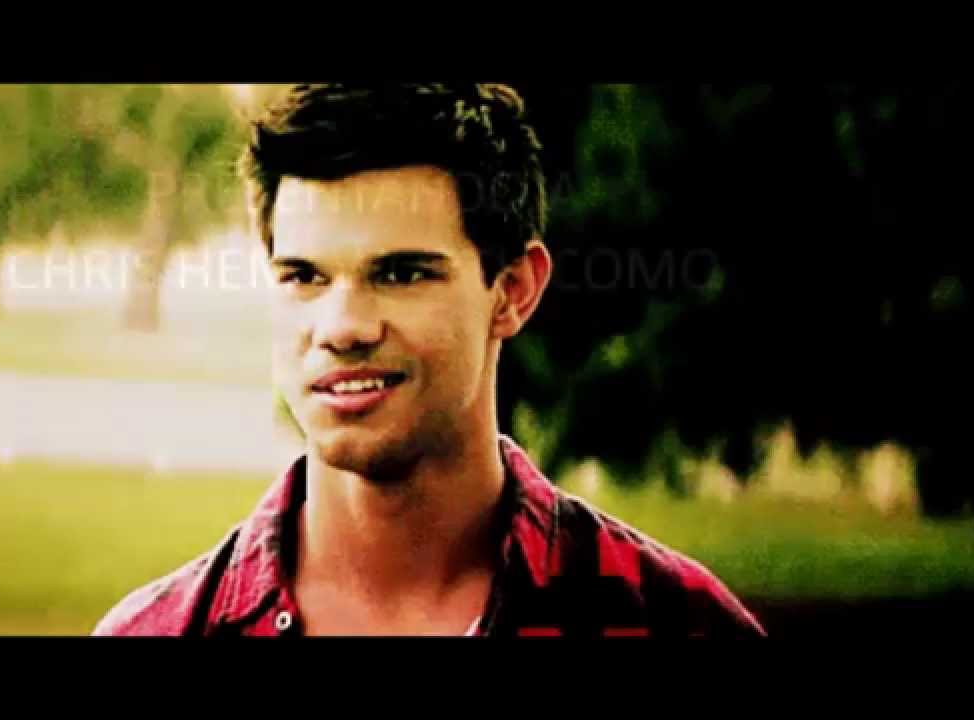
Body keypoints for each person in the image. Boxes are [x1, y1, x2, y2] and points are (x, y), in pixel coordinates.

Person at [93, 84, 766, 637]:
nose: (343, 327)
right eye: (304, 276)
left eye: (401, 274)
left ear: (512, 291)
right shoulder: (160, 631)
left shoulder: (674, 623)